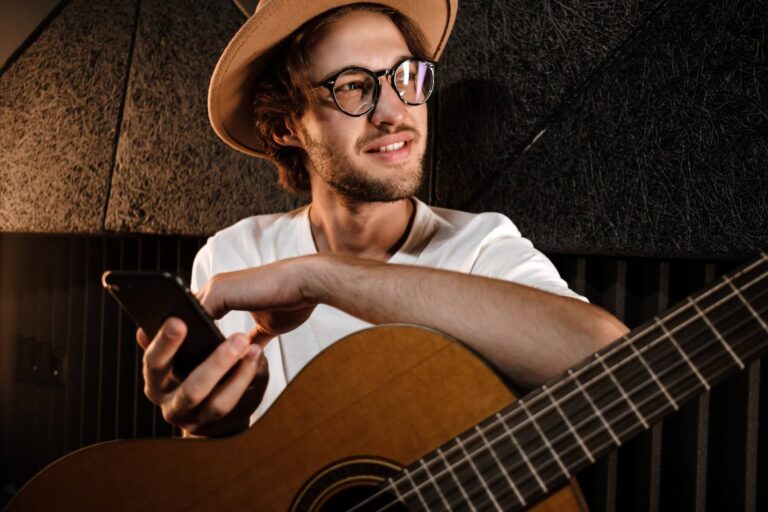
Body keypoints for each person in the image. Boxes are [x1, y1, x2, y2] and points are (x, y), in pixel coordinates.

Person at [136, 0, 628, 437]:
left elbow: (611, 364)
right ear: (287, 126)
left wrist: (317, 276)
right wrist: (212, 429)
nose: (394, 112)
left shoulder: (480, 247)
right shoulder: (234, 257)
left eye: (406, 77)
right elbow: (217, 476)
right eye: (353, 86)